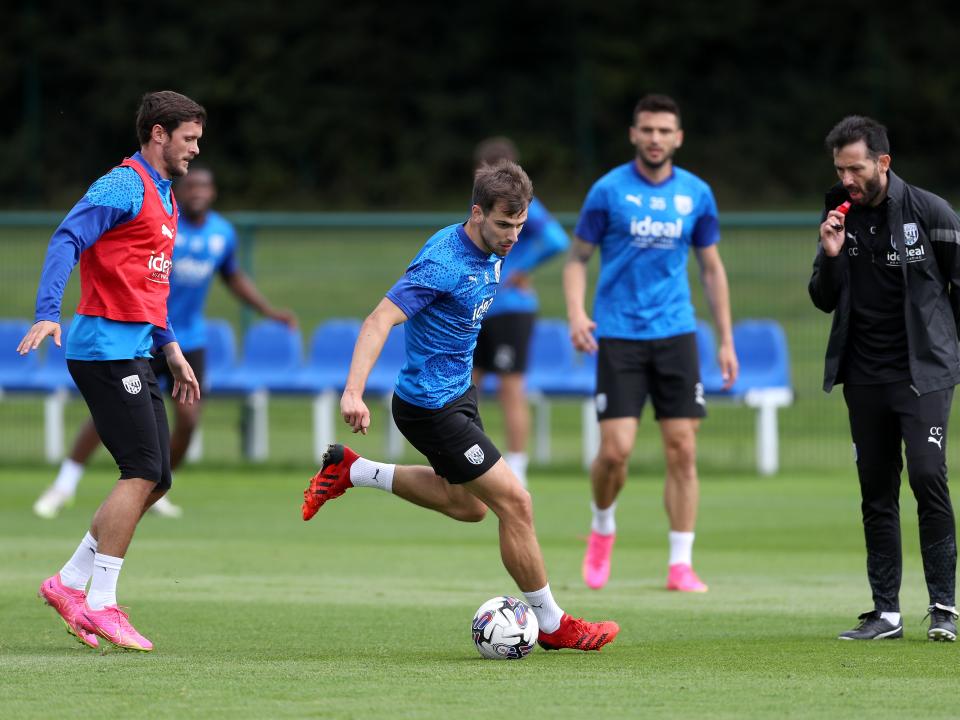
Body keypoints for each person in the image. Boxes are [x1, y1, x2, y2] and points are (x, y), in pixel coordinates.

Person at [301, 160, 619, 652]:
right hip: (430, 407)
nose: (513, 237)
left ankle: (352, 470)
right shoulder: (443, 263)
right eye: (503, 225)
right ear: (476, 214)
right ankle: (554, 625)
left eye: (520, 225)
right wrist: (352, 392)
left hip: (458, 397)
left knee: (469, 508)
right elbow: (379, 319)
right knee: (516, 503)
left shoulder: (493, 246)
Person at [19, 90, 206, 652]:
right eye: (189, 139)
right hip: (102, 348)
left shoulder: (167, 196)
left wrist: (170, 347)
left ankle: (69, 582)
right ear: (158, 134)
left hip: (137, 349)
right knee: (142, 469)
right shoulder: (124, 184)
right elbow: (67, 238)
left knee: (157, 476)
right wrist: (48, 313)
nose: (196, 150)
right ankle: (102, 603)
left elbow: (150, 284)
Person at [32, 165, 297, 520]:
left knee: (188, 417)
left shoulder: (223, 233)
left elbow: (232, 276)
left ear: (214, 192)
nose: (198, 191)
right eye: (192, 186)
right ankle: (64, 485)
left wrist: (267, 310)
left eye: (206, 185)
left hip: (188, 340)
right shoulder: (161, 220)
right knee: (113, 413)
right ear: (181, 191)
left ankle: (155, 485)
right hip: (141, 330)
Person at [563, 93, 738, 593]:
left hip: (676, 333)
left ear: (678, 137)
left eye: (665, 130)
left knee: (682, 450)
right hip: (618, 335)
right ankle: (602, 527)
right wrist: (577, 313)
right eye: (647, 130)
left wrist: (725, 339)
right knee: (615, 452)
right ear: (633, 134)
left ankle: (680, 563)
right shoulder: (608, 192)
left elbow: (710, 268)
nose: (655, 138)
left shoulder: (696, 195)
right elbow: (576, 259)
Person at [810, 115, 960, 642]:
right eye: (840, 169)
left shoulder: (931, 211)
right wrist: (829, 255)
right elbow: (823, 298)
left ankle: (944, 607)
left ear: (883, 162)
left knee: (926, 475)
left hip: (923, 373)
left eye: (856, 169)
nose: (847, 179)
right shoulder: (838, 213)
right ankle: (886, 613)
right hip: (864, 375)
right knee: (876, 489)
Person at [471, 137, 570, 487]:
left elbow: (557, 240)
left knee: (511, 389)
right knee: (468, 387)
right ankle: (468, 461)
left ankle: (517, 471)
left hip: (511, 312)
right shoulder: (482, 209)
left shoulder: (521, 204)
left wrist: (518, 270)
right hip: (479, 310)